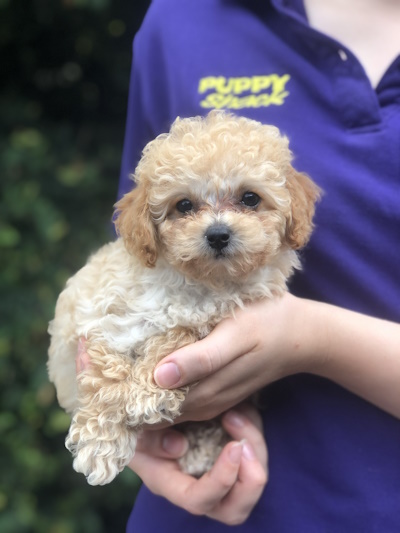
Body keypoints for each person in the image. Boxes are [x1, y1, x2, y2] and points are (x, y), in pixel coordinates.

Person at [78, 0, 400, 530]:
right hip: (200, 510)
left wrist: (312, 337)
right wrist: (129, 420)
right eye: (190, 208)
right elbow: (129, 257)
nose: (217, 225)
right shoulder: (182, 20)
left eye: (248, 200)